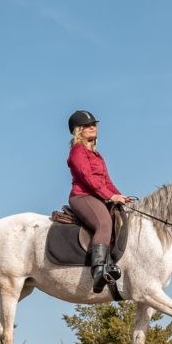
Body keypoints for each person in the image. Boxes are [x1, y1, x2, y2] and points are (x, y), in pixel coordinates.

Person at [67, 110, 132, 292]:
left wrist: (120, 196)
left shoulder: (96, 154)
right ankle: (97, 273)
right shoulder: (77, 152)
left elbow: (106, 181)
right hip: (82, 196)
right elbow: (88, 179)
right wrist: (109, 196)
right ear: (78, 130)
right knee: (104, 223)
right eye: (87, 125)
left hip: (98, 195)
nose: (92, 127)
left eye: (94, 124)